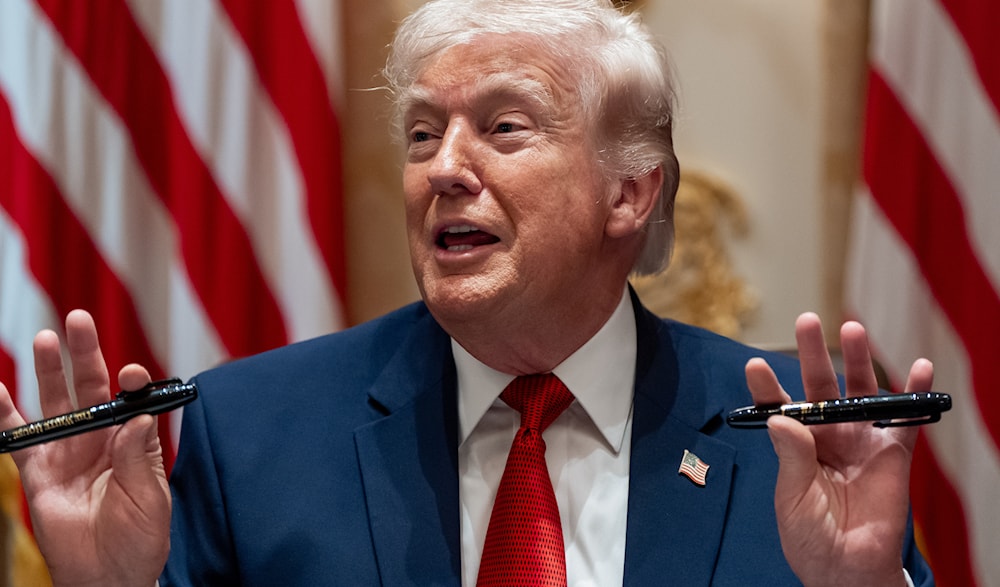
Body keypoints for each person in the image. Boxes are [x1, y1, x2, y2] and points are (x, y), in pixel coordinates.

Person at [0, 0, 935, 585]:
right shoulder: (252, 431)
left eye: (504, 126)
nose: (443, 169)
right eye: (419, 134)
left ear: (630, 192)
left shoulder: (793, 438)